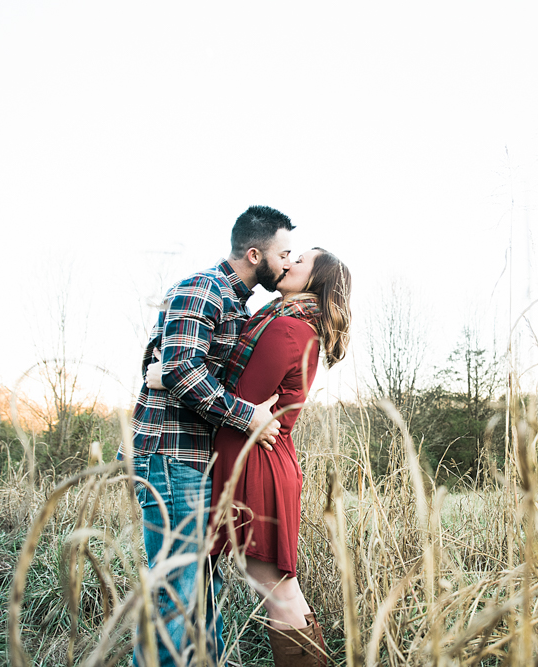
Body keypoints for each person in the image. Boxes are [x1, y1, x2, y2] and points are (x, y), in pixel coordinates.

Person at [147, 247, 351, 667]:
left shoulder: (287, 329)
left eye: (302, 262)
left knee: (278, 592)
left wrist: (167, 377)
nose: (290, 262)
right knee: (275, 588)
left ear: (316, 280)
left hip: (256, 465)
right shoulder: (284, 322)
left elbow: (244, 403)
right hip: (254, 458)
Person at [120, 205, 294, 667]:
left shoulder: (239, 306)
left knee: (203, 586)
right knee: (178, 588)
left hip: (202, 462)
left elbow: (169, 367)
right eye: (284, 253)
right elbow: (178, 367)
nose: (288, 262)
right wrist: (247, 417)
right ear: (255, 253)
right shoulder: (203, 288)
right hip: (172, 456)